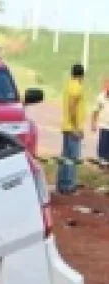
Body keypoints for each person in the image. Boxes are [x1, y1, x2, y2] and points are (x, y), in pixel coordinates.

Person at [58, 63, 86, 194]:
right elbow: (72, 107)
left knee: (65, 157)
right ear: (82, 75)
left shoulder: (69, 85)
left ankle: (62, 184)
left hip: (66, 126)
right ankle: (69, 186)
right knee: (72, 158)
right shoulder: (77, 87)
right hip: (72, 127)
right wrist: (76, 127)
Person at [91, 79, 109, 169]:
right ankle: (102, 164)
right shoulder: (101, 97)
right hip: (104, 126)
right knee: (103, 147)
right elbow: (95, 111)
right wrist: (93, 123)